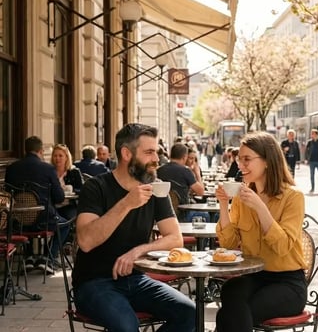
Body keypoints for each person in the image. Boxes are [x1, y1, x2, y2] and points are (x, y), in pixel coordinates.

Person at [71, 123, 195, 332]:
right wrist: (127, 203)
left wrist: (138, 251)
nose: (156, 159)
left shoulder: (156, 187)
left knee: (190, 313)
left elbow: (175, 238)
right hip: (94, 283)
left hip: (137, 280)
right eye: (149, 152)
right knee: (127, 326)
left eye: (156, 152)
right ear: (126, 154)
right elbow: (85, 241)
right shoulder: (96, 187)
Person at [215, 131, 307, 332]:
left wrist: (260, 207)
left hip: (288, 282)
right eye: (239, 159)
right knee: (231, 291)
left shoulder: (293, 197)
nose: (241, 165)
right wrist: (224, 205)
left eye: (247, 159)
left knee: (232, 313)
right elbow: (229, 245)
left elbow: (282, 247)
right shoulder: (241, 197)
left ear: (267, 161)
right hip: (254, 276)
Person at [5, 136, 70, 273]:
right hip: (43, 220)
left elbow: (7, 195)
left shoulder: (12, 169)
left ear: (25, 150)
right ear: (40, 151)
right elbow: (59, 197)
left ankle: (28, 258)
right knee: (65, 225)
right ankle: (48, 258)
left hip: (17, 222)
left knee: (26, 219)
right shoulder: (47, 169)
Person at [157, 143, 207, 222]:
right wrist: (197, 174)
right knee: (205, 215)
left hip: (161, 214)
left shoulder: (159, 170)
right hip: (182, 213)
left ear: (170, 155)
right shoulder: (185, 171)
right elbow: (201, 192)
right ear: (184, 157)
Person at [51, 144, 84, 220]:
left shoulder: (74, 172)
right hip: (53, 206)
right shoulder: (50, 172)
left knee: (68, 218)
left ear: (66, 157)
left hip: (69, 205)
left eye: (60, 156)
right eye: (55, 156)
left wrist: (72, 191)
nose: (57, 158)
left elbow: (82, 190)